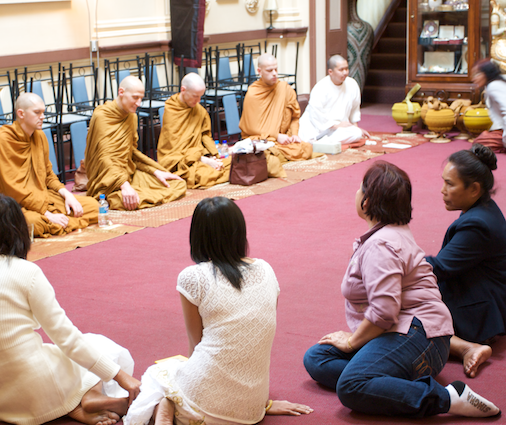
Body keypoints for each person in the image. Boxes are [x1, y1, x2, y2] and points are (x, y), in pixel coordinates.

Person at [303, 161, 500, 418]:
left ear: (367, 201)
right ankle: (394, 381)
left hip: (417, 336)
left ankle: (448, 397)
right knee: (317, 358)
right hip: (408, 332)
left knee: (351, 386)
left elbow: (385, 312)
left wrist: (352, 341)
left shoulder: (381, 245)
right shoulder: (389, 233)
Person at [0, 193, 141, 425]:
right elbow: (66, 337)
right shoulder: (25, 272)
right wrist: (122, 377)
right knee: (104, 348)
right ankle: (86, 397)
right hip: (36, 387)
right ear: (17, 230)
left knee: (52, 355)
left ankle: (73, 405)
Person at [123, 197, 313, 425]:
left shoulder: (193, 277)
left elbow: (196, 343)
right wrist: (263, 402)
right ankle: (167, 406)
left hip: (203, 404)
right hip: (251, 410)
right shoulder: (266, 269)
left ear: (198, 236)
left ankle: (168, 406)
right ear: (240, 233)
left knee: (161, 373)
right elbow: (257, 337)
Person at [426, 144, 506, 378]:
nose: (443, 190)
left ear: (474, 189)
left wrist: (394, 261)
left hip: (479, 313)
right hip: (485, 297)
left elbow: (439, 268)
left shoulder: (477, 224)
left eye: (450, 184)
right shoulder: (484, 210)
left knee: (404, 313)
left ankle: (465, 347)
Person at [0, 93, 98, 238]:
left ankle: (61, 221)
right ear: (21, 114)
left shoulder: (39, 136)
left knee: (94, 206)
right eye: (37, 113)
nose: (43, 117)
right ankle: (58, 221)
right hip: (12, 204)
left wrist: (67, 194)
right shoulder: (3, 140)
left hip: (42, 197)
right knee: (32, 223)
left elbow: (48, 174)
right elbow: (13, 189)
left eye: (43, 112)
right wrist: (48, 214)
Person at [85, 76, 186, 210]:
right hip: (107, 178)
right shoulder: (102, 116)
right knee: (122, 199)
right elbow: (104, 158)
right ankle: (125, 196)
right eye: (135, 97)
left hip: (128, 173)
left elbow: (131, 152)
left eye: (141, 99)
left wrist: (155, 171)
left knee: (177, 184)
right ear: (121, 92)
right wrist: (123, 184)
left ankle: (136, 195)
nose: (138, 103)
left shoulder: (131, 116)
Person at [239, 53, 316, 178]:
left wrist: (295, 135)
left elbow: (294, 117)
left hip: (283, 140)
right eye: (269, 70)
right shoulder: (253, 93)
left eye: (276, 69)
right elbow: (251, 128)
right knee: (267, 155)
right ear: (260, 71)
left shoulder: (284, 89)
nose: (274, 73)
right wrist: (276, 135)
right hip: (261, 139)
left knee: (306, 148)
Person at [157, 73, 230, 188]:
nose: (198, 100)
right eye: (195, 96)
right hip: (178, 159)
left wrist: (213, 155)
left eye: (201, 96)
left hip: (197, 154)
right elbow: (174, 148)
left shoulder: (199, 110)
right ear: (183, 90)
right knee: (203, 176)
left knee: (230, 163)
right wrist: (202, 159)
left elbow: (205, 135)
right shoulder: (172, 109)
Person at [298, 55, 370, 147]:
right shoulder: (320, 87)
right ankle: (318, 142)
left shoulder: (352, 84)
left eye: (346, 69)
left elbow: (354, 110)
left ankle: (322, 143)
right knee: (307, 135)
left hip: (336, 131)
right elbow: (316, 115)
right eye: (341, 70)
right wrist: (336, 125)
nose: (345, 72)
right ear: (330, 72)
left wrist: (354, 128)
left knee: (357, 133)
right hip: (315, 129)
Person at [469, 59, 506, 153]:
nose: (473, 78)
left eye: (477, 74)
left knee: (479, 144)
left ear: (486, 73)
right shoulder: (495, 84)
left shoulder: (494, 86)